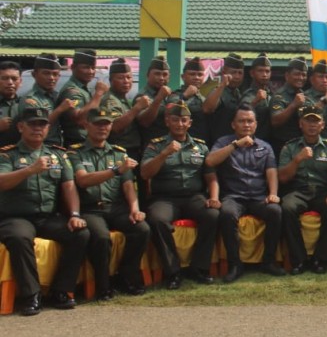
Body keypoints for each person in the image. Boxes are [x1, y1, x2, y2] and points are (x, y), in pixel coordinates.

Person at [0, 107, 89, 315]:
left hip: (47, 217)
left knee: (80, 234)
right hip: (16, 216)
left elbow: (69, 187)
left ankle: (61, 290)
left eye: (42, 124)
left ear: (48, 128)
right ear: (20, 127)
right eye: (32, 124)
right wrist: (30, 170)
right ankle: (31, 295)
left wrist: (75, 215)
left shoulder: (58, 155)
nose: (37, 129)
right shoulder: (7, 155)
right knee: (19, 237)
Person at [67, 108, 150, 299]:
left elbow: (128, 186)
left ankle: (127, 276)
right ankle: (103, 284)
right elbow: (82, 180)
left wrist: (135, 209)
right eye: (98, 123)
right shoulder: (75, 152)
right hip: (90, 209)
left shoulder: (119, 153)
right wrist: (115, 171)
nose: (102, 128)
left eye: (106, 124)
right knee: (101, 237)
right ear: (86, 125)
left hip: (116, 207)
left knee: (142, 229)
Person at [141, 103, 220, 289]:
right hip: (164, 198)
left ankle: (199, 268)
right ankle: (173, 272)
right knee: (158, 220)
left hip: (193, 196)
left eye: (184, 120)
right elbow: (145, 173)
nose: (180, 124)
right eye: (175, 120)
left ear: (190, 123)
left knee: (212, 215)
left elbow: (211, 177)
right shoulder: (156, 145)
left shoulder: (200, 146)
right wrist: (164, 154)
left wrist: (214, 197)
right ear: (167, 121)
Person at [206, 104, 285, 282]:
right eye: (241, 121)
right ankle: (235, 265)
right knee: (227, 214)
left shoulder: (265, 146)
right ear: (233, 124)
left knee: (275, 211)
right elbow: (210, 161)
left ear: (256, 124)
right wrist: (235, 145)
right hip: (233, 197)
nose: (246, 125)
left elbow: (271, 172)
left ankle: (268, 261)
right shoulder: (223, 142)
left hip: (258, 197)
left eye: (250, 121)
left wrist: (273, 193)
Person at [279, 105, 327, 275]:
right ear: (300, 124)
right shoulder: (290, 147)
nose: (312, 125)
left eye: (316, 121)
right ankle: (299, 260)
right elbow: (282, 178)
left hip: (322, 192)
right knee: (286, 208)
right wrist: (297, 160)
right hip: (298, 191)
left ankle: (319, 259)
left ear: (323, 125)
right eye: (308, 121)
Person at [102, 58, 149, 163]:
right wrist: (137, 108)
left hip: (132, 150)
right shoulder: (110, 100)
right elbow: (116, 126)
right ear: (111, 80)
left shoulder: (123, 98)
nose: (126, 81)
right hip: (119, 151)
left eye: (129, 77)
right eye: (121, 78)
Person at [57, 49, 108, 146]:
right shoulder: (72, 91)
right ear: (73, 67)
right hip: (76, 144)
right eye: (86, 67)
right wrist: (99, 93)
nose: (91, 71)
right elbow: (80, 119)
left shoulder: (83, 89)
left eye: (93, 68)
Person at [24, 53, 73, 146]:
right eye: (46, 73)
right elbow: (37, 125)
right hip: (40, 147)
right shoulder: (31, 99)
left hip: (58, 146)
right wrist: (60, 109)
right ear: (34, 74)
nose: (51, 78)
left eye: (55, 74)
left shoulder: (56, 96)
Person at [270, 57, 309, 155]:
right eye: (297, 74)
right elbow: (275, 121)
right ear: (287, 76)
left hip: (301, 145)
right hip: (283, 145)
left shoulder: (304, 95)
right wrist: (293, 105)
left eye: (303, 75)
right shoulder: (279, 96)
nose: (301, 78)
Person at [204, 52, 246, 144]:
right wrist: (222, 85)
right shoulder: (219, 91)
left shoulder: (238, 94)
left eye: (240, 73)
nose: (237, 76)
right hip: (218, 144)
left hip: (235, 143)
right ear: (224, 72)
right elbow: (207, 109)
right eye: (233, 72)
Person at [134, 56, 172, 148]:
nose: (161, 78)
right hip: (151, 147)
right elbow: (144, 122)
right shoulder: (142, 96)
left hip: (169, 145)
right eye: (157, 74)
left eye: (165, 74)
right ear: (147, 75)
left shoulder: (170, 95)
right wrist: (158, 98)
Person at [303, 59, 327, 143]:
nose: (325, 80)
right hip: (312, 143)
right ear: (312, 79)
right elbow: (306, 115)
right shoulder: (305, 97)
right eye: (320, 77)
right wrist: (324, 100)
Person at [240, 52, 273, 145]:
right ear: (252, 73)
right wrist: (256, 101)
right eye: (260, 71)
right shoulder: (249, 95)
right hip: (252, 141)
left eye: (267, 71)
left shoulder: (271, 94)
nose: (264, 74)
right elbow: (241, 113)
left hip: (269, 141)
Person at [0, 60, 23, 147]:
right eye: (5, 78)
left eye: (14, 79)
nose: (10, 82)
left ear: (20, 82)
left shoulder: (25, 104)